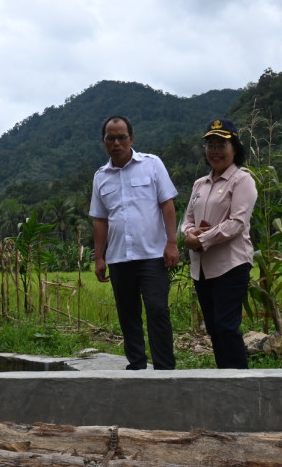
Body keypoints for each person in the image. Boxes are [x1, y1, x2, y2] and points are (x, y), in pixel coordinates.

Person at [89, 115, 178, 370]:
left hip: (152, 255)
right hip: (119, 258)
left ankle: (164, 367)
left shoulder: (152, 165)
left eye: (121, 137)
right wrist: (99, 257)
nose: (116, 142)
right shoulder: (101, 176)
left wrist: (172, 243)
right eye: (111, 138)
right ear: (103, 141)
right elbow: (100, 220)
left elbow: (167, 204)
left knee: (157, 308)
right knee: (128, 314)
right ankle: (137, 365)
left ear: (131, 139)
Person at [181, 119, 258, 369]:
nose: (214, 151)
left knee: (226, 325)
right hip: (203, 269)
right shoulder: (200, 185)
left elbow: (237, 223)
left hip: (231, 266)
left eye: (221, 145)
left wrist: (199, 240)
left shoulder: (241, 180)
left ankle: (239, 382)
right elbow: (187, 220)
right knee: (214, 327)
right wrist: (188, 235)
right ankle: (224, 377)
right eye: (210, 145)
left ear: (235, 148)